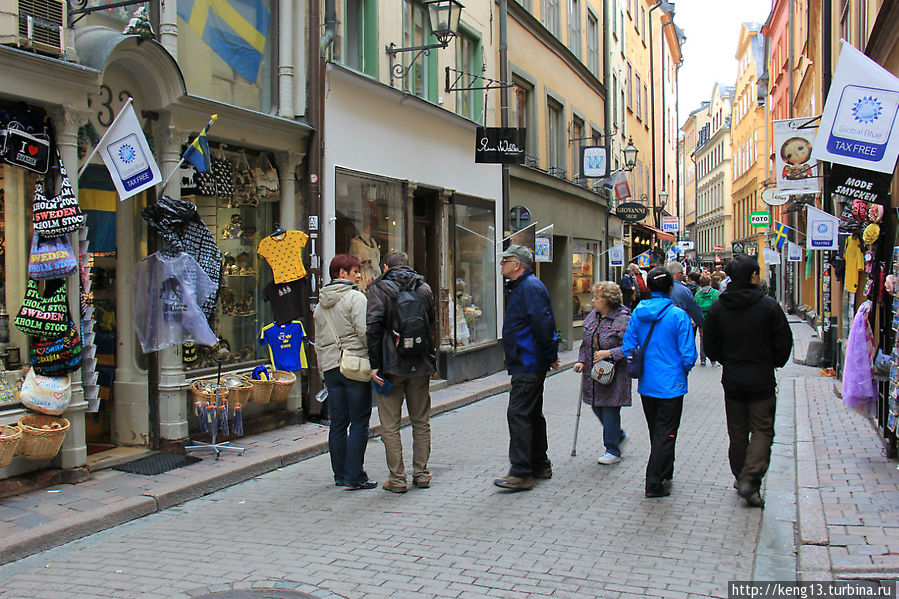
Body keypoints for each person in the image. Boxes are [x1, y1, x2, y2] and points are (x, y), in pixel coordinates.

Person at [703, 255, 793, 508]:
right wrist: (772, 362)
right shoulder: (768, 306)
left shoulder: (720, 307)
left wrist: (725, 359)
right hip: (761, 379)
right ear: (753, 276)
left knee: (738, 433)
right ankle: (750, 481)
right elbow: (783, 343)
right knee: (762, 430)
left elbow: (710, 343)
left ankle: (740, 476)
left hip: (732, 379)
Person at [622, 266, 697, 498]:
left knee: (657, 431)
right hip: (671, 384)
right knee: (667, 432)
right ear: (671, 287)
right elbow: (688, 355)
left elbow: (628, 347)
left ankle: (666, 470)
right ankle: (653, 482)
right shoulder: (678, 315)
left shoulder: (637, 313)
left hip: (647, 383)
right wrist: (681, 370)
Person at [367, 251, 437, 493]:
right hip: (419, 363)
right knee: (421, 421)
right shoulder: (424, 288)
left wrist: (374, 364)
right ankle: (422, 473)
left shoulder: (378, 289)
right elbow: (430, 322)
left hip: (390, 365)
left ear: (385, 267)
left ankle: (397, 479)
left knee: (390, 424)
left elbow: (373, 328)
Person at [494, 245, 560, 491]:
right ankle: (540, 464)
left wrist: (551, 354)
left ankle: (521, 472)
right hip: (527, 359)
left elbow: (543, 323)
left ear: (517, 265)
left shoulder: (529, 288)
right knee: (531, 413)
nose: (502, 264)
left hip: (528, 361)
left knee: (519, 413)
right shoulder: (524, 287)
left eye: (505, 261)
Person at [313, 254, 377, 490]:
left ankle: (340, 474)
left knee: (338, 423)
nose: (359, 275)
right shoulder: (355, 298)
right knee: (360, 421)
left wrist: (323, 372)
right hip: (354, 365)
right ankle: (355, 475)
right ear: (342, 273)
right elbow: (364, 332)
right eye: (355, 271)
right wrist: (376, 360)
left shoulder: (320, 305)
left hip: (330, 368)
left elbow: (319, 342)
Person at [573, 282, 631, 465]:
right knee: (596, 406)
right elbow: (586, 342)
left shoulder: (623, 319)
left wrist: (610, 353)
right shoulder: (593, 316)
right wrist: (581, 360)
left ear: (607, 300)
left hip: (614, 375)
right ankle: (618, 435)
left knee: (610, 410)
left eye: (597, 298)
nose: (593, 301)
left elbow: (631, 347)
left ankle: (612, 450)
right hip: (594, 374)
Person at [666, 261, 705, 329]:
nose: (683, 275)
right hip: (679, 326)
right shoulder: (683, 290)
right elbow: (694, 310)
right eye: (682, 273)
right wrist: (703, 326)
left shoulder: (661, 287)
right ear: (678, 273)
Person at [694, 274, 721, 366]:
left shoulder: (698, 294)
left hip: (702, 319)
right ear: (710, 282)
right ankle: (713, 359)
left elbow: (695, 306)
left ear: (700, 284)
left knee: (702, 338)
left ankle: (702, 359)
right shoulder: (715, 293)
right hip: (713, 319)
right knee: (714, 338)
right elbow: (719, 306)